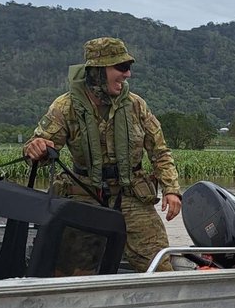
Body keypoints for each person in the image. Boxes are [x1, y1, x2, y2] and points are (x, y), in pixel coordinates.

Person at [24, 37, 182, 272]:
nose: (127, 74)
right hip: (85, 194)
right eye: (121, 67)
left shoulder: (137, 106)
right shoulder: (65, 107)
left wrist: (171, 190)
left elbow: (160, 152)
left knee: (159, 266)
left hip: (131, 195)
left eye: (128, 67)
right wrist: (35, 148)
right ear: (97, 71)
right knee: (75, 271)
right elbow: (38, 151)